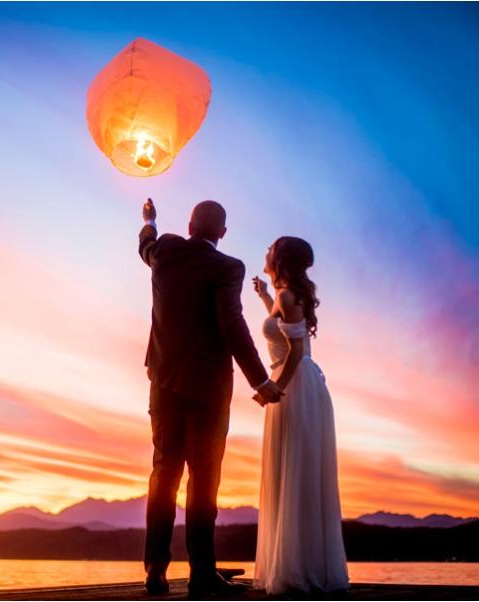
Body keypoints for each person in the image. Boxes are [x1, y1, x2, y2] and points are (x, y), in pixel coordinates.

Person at [138, 198, 283, 597]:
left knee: (163, 474)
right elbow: (230, 323)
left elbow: (145, 244)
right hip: (207, 391)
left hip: (164, 384)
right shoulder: (227, 267)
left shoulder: (164, 249)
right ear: (222, 233)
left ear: (188, 224)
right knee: (203, 481)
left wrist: (149, 220)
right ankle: (202, 575)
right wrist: (259, 380)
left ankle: (155, 572)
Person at [251, 236, 349, 594]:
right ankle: (298, 561)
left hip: (293, 384)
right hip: (298, 382)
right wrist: (264, 297)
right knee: (293, 472)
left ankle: (297, 570)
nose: (264, 253)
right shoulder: (286, 296)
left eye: (269, 249)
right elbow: (282, 331)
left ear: (279, 258)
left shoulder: (288, 296)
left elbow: (292, 351)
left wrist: (275, 388)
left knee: (295, 472)